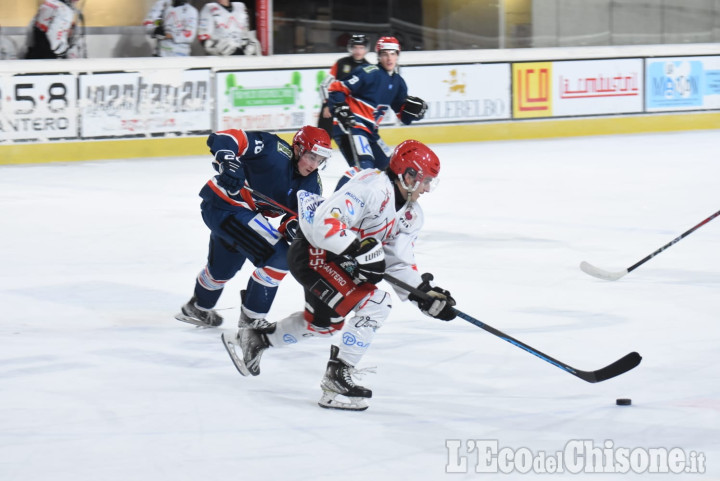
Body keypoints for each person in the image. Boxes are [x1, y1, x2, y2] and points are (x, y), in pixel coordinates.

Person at [224, 139, 457, 411]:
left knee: (323, 324)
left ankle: (255, 340)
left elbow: (398, 262)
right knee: (376, 304)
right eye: (425, 180)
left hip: (338, 262)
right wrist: (359, 251)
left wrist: (423, 295)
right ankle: (337, 377)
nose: (427, 188)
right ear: (407, 175)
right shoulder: (370, 186)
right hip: (314, 252)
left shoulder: (411, 214)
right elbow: (325, 223)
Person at [176, 126, 332, 329]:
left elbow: (299, 219)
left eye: (320, 160)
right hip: (229, 205)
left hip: (231, 213)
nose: (314, 165)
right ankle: (252, 319)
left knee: (222, 269)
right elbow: (226, 137)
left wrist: (294, 227)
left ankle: (198, 307)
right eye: (311, 156)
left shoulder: (311, 185)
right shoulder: (272, 148)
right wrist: (228, 159)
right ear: (298, 148)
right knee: (279, 258)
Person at [326, 36, 428, 171]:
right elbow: (336, 88)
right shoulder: (368, 72)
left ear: (398, 55)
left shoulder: (398, 82)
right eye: (385, 54)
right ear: (379, 56)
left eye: (393, 54)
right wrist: (340, 107)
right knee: (364, 170)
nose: (389, 58)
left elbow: (402, 114)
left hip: (370, 132)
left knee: (392, 169)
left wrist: (414, 113)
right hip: (351, 126)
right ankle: (340, 193)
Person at [318, 34, 371, 164]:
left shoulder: (369, 68)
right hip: (333, 108)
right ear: (350, 48)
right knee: (319, 140)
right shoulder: (341, 64)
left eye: (361, 47)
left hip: (353, 114)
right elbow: (324, 84)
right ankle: (314, 163)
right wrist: (326, 104)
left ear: (366, 49)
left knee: (355, 151)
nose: (358, 51)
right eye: (355, 47)